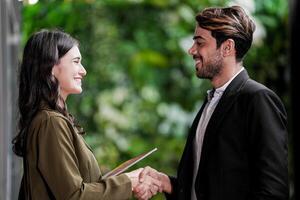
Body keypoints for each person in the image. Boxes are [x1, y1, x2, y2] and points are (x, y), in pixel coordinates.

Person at [138, 5, 289, 200]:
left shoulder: (258, 99)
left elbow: (273, 193)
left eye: (200, 43)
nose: (191, 50)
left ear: (227, 47)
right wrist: (166, 183)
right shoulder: (212, 101)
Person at [12, 29, 161, 200]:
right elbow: (74, 196)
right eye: (76, 61)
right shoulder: (50, 122)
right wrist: (128, 181)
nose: (83, 71)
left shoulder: (53, 119)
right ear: (51, 66)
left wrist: (120, 182)